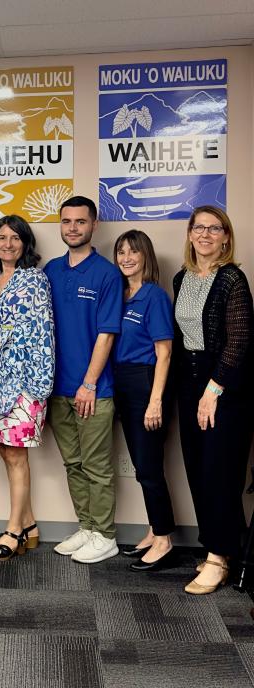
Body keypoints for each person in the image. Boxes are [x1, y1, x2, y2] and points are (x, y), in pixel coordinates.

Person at [173, 206, 254, 594]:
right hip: (188, 384)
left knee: (220, 473)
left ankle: (220, 558)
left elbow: (239, 342)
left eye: (214, 228)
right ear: (190, 234)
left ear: (225, 236)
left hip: (225, 388)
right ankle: (217, 547)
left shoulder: (232, 279)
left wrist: (213, 389)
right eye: (198, 227)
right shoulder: (181, 278)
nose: (205, 234)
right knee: (197, 469)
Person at [0, 215, 54, 561]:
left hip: (23, 382)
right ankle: (29, 524)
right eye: (2, 238)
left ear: (25, 244)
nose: (8, 244)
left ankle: (14, 530)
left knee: (17, 454)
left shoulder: (35, 280)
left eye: (15, 238)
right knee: (6, 451)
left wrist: (1, 333)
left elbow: (40, 328)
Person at [43, 196, 123, 564]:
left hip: (93, 389)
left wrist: (89, 383)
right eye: (67, 221)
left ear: (94, 225)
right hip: (56, 387)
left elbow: (107, 334)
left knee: (97, 467)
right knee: (73, 464)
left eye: (80, 221)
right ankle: (88, 527)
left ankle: (106, 536)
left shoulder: (106, 273)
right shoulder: (51, 271)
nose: (73, 227)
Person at [112, 230, 175, 571]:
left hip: (145, 382)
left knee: (149, 467)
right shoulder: (121, 295)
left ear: (145, 256)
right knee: (142, 466)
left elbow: (164, 354)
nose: (126, 258)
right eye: (121, 252)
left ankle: (164, 539)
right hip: (122, 381)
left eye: (133, 252)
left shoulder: (155, 297)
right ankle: (155, 529)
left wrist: (155, 402)